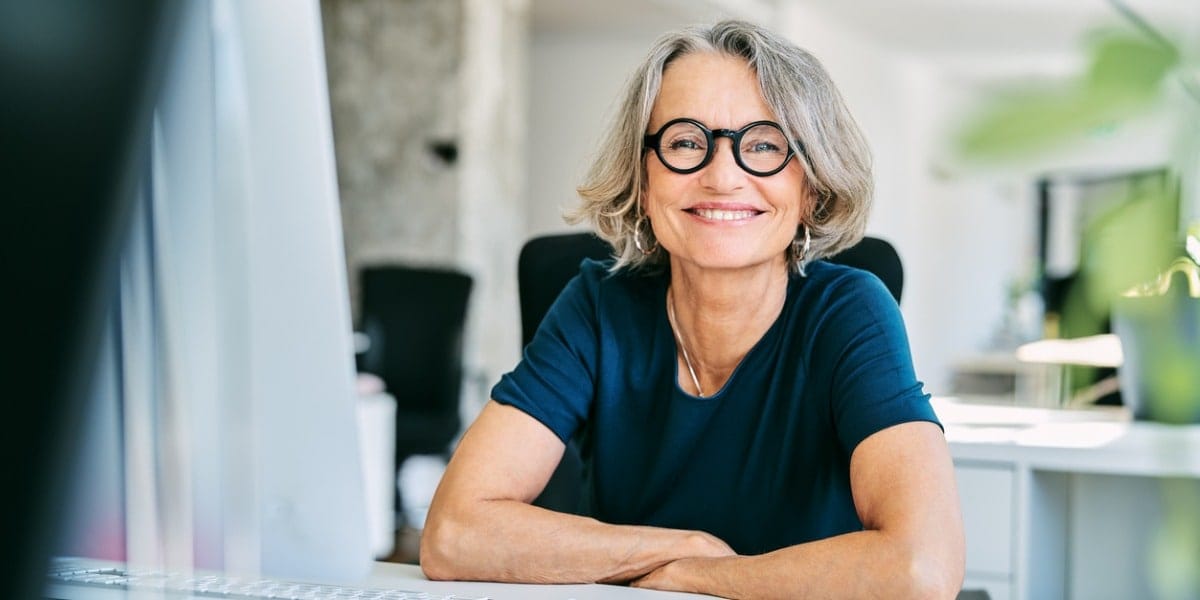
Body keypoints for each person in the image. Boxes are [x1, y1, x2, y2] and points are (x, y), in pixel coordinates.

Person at [421, 19, 965, 598]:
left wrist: (706, 578)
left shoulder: (849, 313)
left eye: (763, 145)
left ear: (811, 186)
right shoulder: (598, 305)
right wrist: (682, 547)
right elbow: (453, 533)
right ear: (643, 176)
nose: (722, 176)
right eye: (685, 141)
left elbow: (921, 568)